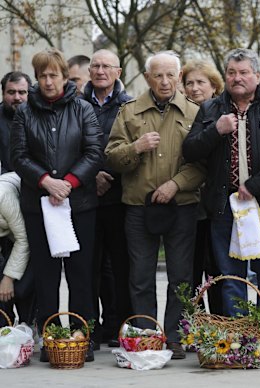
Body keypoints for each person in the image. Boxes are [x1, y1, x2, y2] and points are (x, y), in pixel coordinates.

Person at [182, 48, 260, 359]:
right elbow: (190, 150)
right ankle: (237, 338)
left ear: (256, 76)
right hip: (223, 208)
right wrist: (215, 131)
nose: (237, 78)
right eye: (231, 72)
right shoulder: (210, 109)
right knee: (231, 278)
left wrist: (254, 186)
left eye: (243, 72)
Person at [106, 51, 205, 360]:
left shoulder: (195, 112)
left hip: (182, 206)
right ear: (147, 78)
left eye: (170, 75)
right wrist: (136, 147)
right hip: (138, 207)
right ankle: (147, 334)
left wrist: (175, 184)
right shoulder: (129, 111)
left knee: (181, 277)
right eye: (157, 75)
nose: (164, 81)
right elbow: (112, 157)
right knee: (140, 276)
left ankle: (175, 336)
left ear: (179, 78)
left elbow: (204, 164)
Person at [11, 47, 104, 362]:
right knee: (46, 276)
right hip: (39, 206)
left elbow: (94, 151)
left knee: (81, 274)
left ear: (65, 77)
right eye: (42, 75)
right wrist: (45, 182)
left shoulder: (83, 109)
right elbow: (18, 156)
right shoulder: (25, 112)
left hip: (79, 205)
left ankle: (81, 336)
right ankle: (52, 337)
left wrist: (69, 183)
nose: (48, 81)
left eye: (53, 75)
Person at [82, 49, 133, 348]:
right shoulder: (76, 104)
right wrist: (93, 175)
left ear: (119, 72)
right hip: (85, 196)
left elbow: (129, 147)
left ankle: (118, 325)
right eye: (96, 66)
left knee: (118, 265)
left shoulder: (130, 106)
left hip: (119, 195)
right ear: (89, 71)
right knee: (89, 265)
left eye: (107, 66)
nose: (101, 71)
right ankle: (91, 326)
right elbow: (71, 147)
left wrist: (108, 175)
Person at [180, 59, 224, 315]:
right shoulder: (180, 113)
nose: (195, 88)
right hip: (189, 204)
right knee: (191, 270)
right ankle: (193, 324)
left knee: (217, 269)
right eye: (189, 83)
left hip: (216, 203)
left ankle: (220, 323)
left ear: (214, 86)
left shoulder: (222, 113)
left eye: (200, 82)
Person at [0, 173, 33, 327]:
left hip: (27, 229)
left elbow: (24, 239)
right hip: (7, 234)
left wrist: (8, 278)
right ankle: (5, 327)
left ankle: (29, 324)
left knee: (20, 288)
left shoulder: (4, 197)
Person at [0, 71, 31, 173]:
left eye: (22, 92)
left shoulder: (41, 117)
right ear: (3, 93)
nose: (17, 98)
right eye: (11, 92)